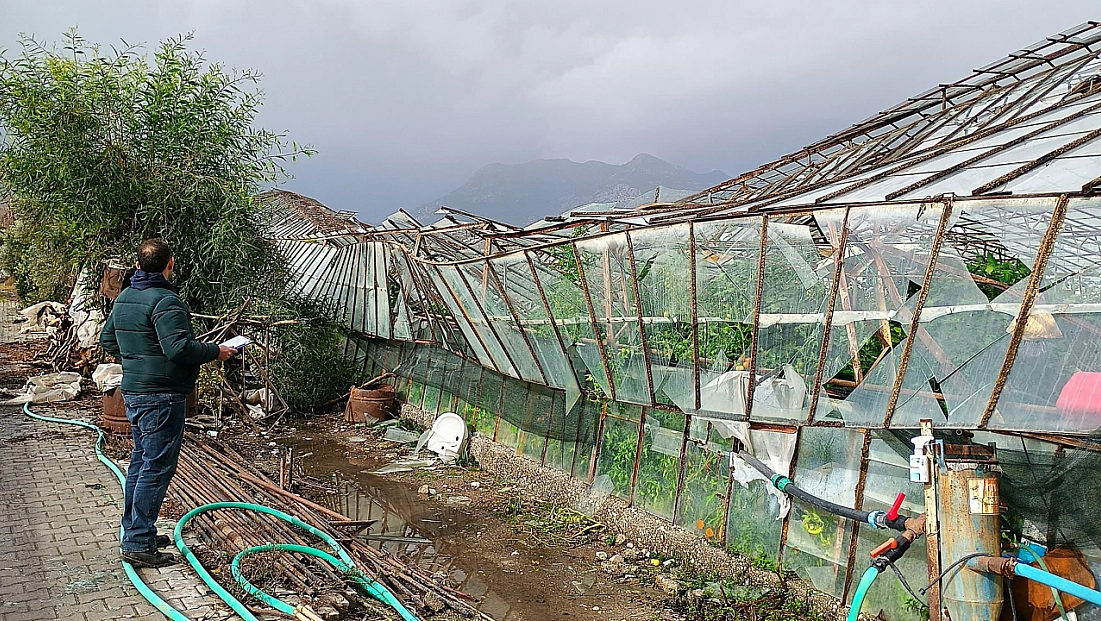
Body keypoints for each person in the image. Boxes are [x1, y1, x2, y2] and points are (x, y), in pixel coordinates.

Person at [100, 239, 237, 567]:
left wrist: (136, 359)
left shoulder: (125, 297)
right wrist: (216, 351)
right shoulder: (165, 301)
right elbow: (179, 349)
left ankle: (137, 530)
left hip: (134, 392)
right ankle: (138, 542)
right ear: (170, 264)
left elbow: (108, 340)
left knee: (141, 461)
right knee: (156, 467)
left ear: (138, 265)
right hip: (160, 395)